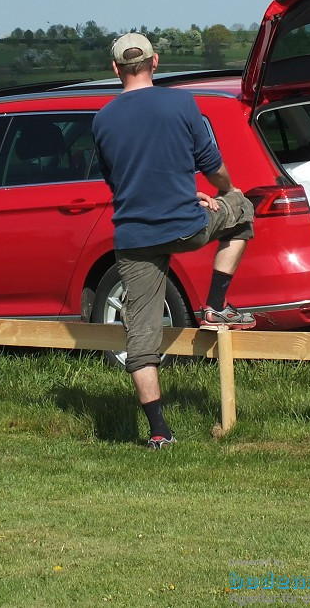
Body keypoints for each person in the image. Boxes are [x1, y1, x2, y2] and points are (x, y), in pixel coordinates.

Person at [92, 32, 256, 450]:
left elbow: (120, 180)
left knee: (140, 338)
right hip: (185, 225)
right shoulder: (182, 104)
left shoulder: (103, 119)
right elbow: (213, 166)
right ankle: (217, 306)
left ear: (115, 69)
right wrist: (224, 193)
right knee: (243, 213)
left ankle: (159, 430)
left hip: (134, 236)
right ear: (156, 62)